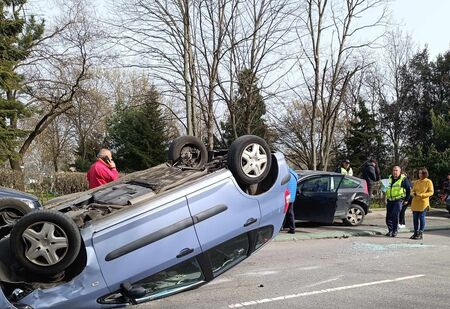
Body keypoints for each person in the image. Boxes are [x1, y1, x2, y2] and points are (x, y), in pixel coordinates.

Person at [385, 166, 411, 237]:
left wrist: (406, 200)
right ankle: (390, 230)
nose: (395, 172)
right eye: (393, 170)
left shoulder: (403, 179)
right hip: (390, 200)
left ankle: (394, 231)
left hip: (398, 200)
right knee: (388, 217)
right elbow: (385, 188)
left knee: (395, 215)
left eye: (396, 170)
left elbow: (408, 189)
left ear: (400, 172)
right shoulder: (389, 178)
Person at [410, 167, 434, 240]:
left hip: (423, 203)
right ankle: (415, 232)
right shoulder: (416, 182)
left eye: (421, 173)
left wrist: (422, 195)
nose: (420, 174)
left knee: (421, 218)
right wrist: (413, 193)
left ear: (425, 173)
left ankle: (420, 233)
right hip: (415, 203)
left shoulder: (428, 181)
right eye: (419, 173)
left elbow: (431, 192)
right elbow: (412, 191)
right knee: (415, 219)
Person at [283, 167, 299, 234]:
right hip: (292, 196)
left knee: (286, 212)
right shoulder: (294, 175)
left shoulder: (286, 175)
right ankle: (288, 227)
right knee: (289, 212)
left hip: (286, 196)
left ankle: (292, 229)